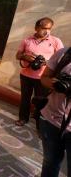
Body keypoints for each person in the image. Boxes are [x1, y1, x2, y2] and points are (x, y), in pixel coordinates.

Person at [15, 17, 63, 126]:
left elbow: (61, 59)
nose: (47, 31)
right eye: (43, 28)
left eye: (49, 29)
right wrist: (25, 56)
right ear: (36, 28)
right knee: (25, 98)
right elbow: (17, 55)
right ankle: (23, 118)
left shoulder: (56, 41)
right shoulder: (26, 40)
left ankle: (39, 124)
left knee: (41, 101)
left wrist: (45, 62)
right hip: (26, 75)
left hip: (43, 78)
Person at [39, 47, 71, 177]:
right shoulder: (64, 53)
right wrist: (55, 84)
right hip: (51, 120)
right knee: (50, 162)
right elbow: (44, 78)